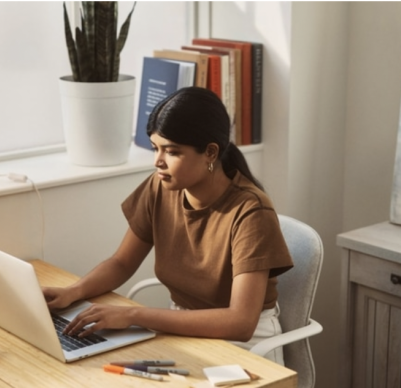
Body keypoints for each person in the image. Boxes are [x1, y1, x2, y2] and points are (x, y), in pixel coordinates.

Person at [42, 86, 293, 364]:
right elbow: (122, 263)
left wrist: (134, 315)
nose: (157, 162)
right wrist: (72, 292)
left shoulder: (251, 212)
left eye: (171, 151)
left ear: (210, 152)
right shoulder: (160, 187)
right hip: (180, 332)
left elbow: (240, 323)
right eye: (155, 148)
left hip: (244, 348)